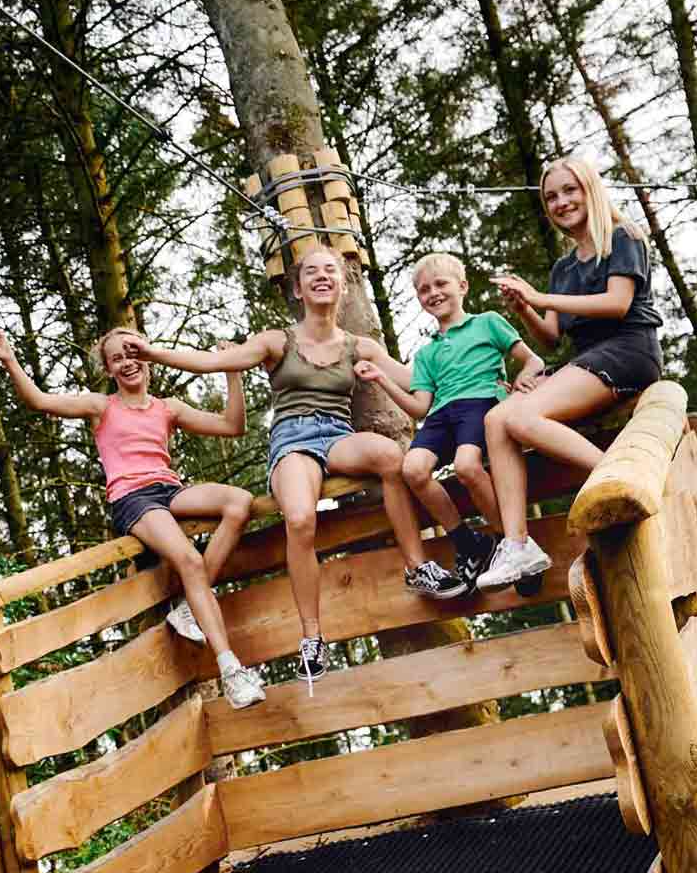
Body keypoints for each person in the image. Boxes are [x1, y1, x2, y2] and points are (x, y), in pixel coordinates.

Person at [144, 245, 464, 689]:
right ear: (298, 288)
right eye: (311, 272)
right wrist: (151, 353)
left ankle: (417, 567)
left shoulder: (359, 345)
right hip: (292, 438)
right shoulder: (278, 340)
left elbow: (419, 379)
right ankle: (312, 636)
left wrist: (482, 361)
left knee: (392, 456)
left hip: (338, 434)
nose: (322, 276)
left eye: (330, 270)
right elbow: (214, 361)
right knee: (299, 517)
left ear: (341, 282)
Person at [0, 326, 267, 708]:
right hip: (132, 498)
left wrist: (231, 372)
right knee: (188, 560)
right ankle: (231, 670)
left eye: (133, 352)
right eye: (117, 358)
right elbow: (39, 400)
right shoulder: (102, 407)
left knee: (240, 502)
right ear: (109, 369)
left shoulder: (168, 408)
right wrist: (9, 359)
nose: (127, 362)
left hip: (169, 490)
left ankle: (188, 607)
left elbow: (233, 426)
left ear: (148, 357)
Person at [474, 156, 666, 589]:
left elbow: (617, 303)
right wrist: (526, 308)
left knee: (523, 417)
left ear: (590, 190)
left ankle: (617, 480)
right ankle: (517, 544)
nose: (561, 202)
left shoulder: (623, 236)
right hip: (585, 359)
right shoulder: (564, 268)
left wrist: (540, 296)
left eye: (569, 190)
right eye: (551, 197)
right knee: (496, 420)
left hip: (628, 349)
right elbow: (551, 338)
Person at [354, 252, 543, 591]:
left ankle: (514, 546)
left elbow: (532, 360)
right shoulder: (427, 354)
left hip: (479, 402)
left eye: (441, 284)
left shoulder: (487, 322)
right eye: (424, 290)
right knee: (412, 469)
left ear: (462, 286)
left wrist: (526, 378)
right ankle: (467, 541)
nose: (433, 293)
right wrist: (382, 378)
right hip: (441, 415)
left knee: (467, 466)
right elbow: (419, 408)